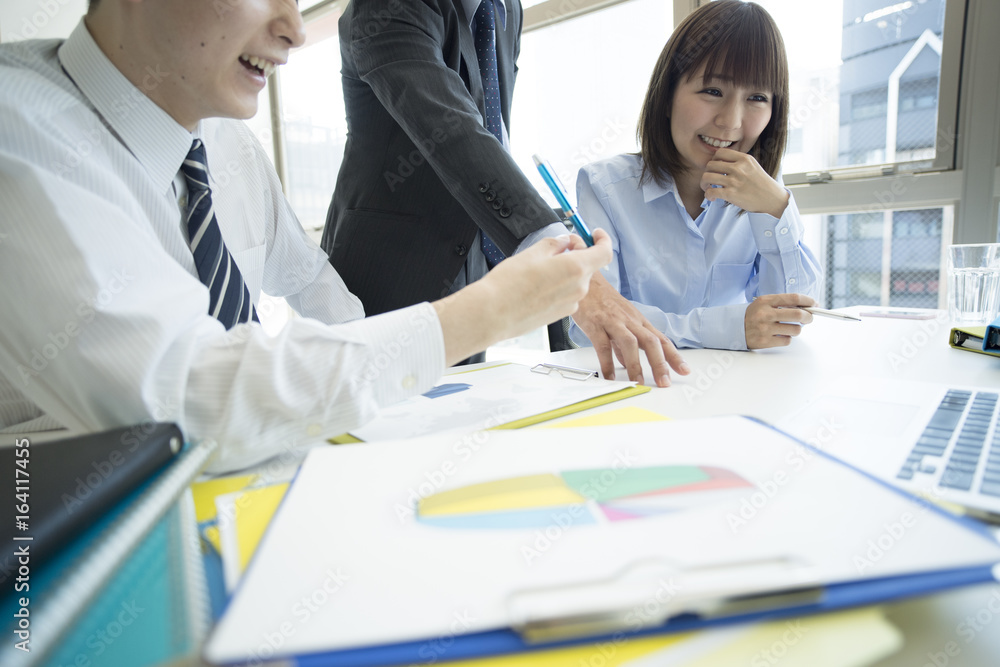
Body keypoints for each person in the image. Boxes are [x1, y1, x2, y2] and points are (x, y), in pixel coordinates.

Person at [0, 0, 614, 473]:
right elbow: (187, 403)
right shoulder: (19, 131)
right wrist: (480, 316)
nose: (294, 29)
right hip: (63, 529)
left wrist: (400, 398)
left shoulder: (223, 142)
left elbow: (306, 277)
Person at [322, 0, 690, 386]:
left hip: (469, 265)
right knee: (370, 430)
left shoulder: (504, 9)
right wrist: (558, 259)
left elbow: (490, 122)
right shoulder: (388, 7)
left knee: (453, 423)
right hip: (384, 273)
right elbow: (454, 129)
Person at [570, 0, 822, 351]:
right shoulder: (604, 186)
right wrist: (730, 329)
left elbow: (793, 314)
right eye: (713, 91)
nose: (731, 121)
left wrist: (777, 210)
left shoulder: (762, 188)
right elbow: (595, 323)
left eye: (757, 97)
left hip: (731, 389)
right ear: (668, 92)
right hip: (632, 390)